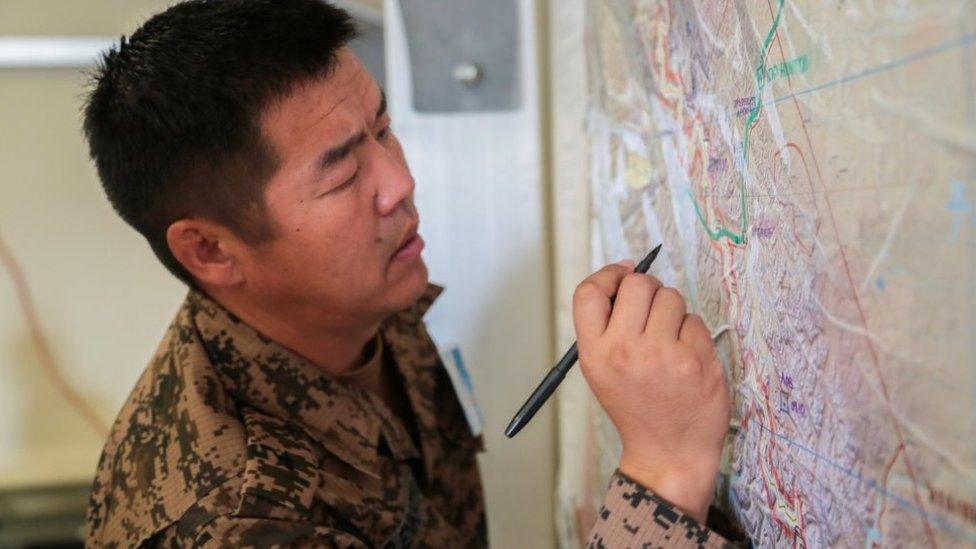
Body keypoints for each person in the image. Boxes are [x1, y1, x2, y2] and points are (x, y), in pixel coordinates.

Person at [82, 1, 744, 547]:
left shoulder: (366, 302)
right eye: (342, 173)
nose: (399, 181)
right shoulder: (232, 520)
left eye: (383, 128)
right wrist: (664, 469)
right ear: (210, 251)